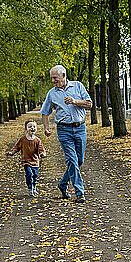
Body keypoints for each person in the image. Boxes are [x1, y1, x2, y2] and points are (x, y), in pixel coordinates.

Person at [40, 65, 92, 203]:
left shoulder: (78, 86)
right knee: (71, 160)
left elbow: (89, 104)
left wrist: (75, 101)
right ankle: (79, 192)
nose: (53, 81)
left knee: (79, 160)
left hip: (80, 128)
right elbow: (45, 112)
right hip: (64, 130)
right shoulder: (52, 93)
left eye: (55, 78)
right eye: (51, 78)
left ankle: (63, 184)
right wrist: (46, 128)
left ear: (63, 75)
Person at [5, 119, 46, 196]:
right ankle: (30, 189)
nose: (32, 128)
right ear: (26, 129)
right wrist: (11, 153)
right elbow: (16, 147)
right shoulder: (23, 139)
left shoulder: (37, 140)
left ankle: (34, 187)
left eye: (34, 127)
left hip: (35, 161)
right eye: (30, 127)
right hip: (26, 161)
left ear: (36, 128)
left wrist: (42, 154)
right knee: (29, 174)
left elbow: (41, 149)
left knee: (35, 176)